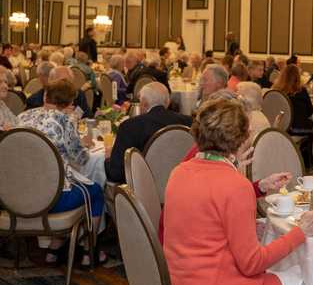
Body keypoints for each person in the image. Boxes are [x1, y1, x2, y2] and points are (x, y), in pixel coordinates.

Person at [164, 98, 313, 285]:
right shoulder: (233, 185)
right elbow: (252, 264)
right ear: (240, 139)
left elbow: (209, 217)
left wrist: (254, 185)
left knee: (286, 268)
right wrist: (301, 231)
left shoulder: (179, 172)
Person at [17, 79, 105, 265]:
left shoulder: (22, 117)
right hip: (53, 199)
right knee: (96, 191)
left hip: (17, 197)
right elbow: (81, 159)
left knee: (78, 187)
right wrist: (84, 144)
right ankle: (90, 252)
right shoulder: (65, 121)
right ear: (70, 103)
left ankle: (53, 250)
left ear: (45, 96)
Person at [105, 82, 192, 184]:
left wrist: (107, 159)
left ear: (144, 103)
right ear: (168, 102)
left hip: (145, 191)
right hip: (181, 183)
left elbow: (116, 174)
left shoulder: (129, 126)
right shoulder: (188, 122)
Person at [272, 64, 313, 162]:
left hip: (281, 128)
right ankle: (308, 160)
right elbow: (310, 111)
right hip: (298, 129)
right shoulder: (301, 91)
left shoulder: (277, 91)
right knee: (312, 124)